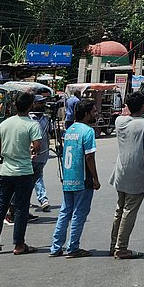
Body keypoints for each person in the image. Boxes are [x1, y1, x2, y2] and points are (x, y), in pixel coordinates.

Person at [0, 92, 42, 256]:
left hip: (6, 171)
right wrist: (28, 150)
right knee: (21, 208)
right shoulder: (32, 125)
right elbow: (37, 147)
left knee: (1, 207)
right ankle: (18, 244)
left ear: (15, 106)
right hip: (24, 171)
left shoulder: (5, 124)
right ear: (30, 106)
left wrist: (8, 153)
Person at [110, 92, 144, 260]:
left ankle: (114, 244)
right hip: (136, 172)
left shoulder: (119, 121)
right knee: (129, 210)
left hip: (120, 171)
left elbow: (125, 115)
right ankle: (121, 247)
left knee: (120, 208)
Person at [50, 101, 100, 258]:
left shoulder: (70, 129)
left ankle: (56, 247)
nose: (96, 114)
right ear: (86, 114)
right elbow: (89, 156)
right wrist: (95, 178)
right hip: (82, 179)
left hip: (68, 177)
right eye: (94, 111)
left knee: (65, 212)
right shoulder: (88, 131)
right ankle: (73, 247)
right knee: (79, 213)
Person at [28, 96, 53, 213]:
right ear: (33, 104)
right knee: (37, 177)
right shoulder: (29, 119)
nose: (43, 105)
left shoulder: (46, 119)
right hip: (30, 155)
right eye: (40, 103)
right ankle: (43, 199)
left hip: (43, 153)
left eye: (44, 103)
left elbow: (50, 134)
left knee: (35, 177)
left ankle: (27, 199)